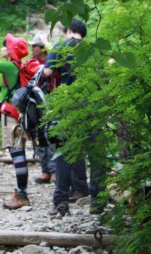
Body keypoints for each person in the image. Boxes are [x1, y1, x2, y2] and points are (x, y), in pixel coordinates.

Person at [43, 18, 107, 216]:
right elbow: (105, 78)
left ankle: (61, 202)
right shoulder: (95, 49)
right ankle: (98, 203)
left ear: (69, 31)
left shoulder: (61, 46)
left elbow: (46, 72)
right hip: (94, 105)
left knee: (65, 152)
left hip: (70, 105)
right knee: (96, 154)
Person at [0, 34, 40, 209]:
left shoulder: (10, 67)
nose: (3, 47)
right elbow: (0, 66)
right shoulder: (17, 66)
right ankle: (22, 192)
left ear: (11, 51)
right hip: (20, 116)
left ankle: (21, 194)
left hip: (11, 118)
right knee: (19, 153)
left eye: (6, 45)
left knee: (17, 155)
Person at [27, 34, 57, 185]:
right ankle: (45, 170)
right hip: (35, 104)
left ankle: (53, 171)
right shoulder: (30, 63)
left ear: (42, 49)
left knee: (50, 134)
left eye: (34, 46)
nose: (32, 49)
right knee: (39, 136)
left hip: (50, 102)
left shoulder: (51, 61)